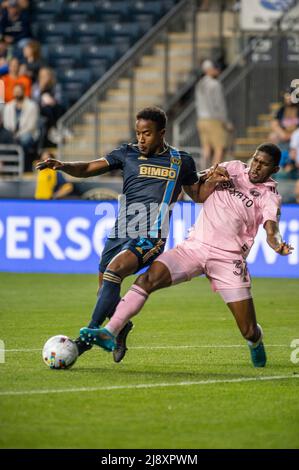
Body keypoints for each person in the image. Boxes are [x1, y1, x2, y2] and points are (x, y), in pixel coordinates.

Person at [37, 106, 229, 363]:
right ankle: (122, 327)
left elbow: (197, 195)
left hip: (151, 234)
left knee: (114, 271)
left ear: (162, 133)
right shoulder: (126, 153)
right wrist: (63, 166)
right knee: (105, 289)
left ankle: (86, 339)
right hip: (120, 231)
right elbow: (89, 168)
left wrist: (213, 182)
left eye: (147, 134)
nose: (141, 139)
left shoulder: (180, 160)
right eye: (138, 133)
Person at [82, 143, 294, 368]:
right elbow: (195, 179)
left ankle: (256, 342)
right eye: (256, 160)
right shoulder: (233, 167)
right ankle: (110, 332)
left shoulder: (269, 197)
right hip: (195, 247)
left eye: (264, 165)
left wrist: (277, 245)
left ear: (275, 170)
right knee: (147, 279)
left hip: (228, 260)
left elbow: (272, 230)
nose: (256, 167)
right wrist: (211, 174)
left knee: (248, 330)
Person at [195, 59, 232, 168]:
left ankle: (202, 172)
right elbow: (219, 105)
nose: (218, 70)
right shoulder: (215, 84)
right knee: (219, 148)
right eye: (216, 68)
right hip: (214, 120)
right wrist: (226, 122)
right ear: (209, 70)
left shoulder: (199, 84)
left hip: (201, 120)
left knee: (206, 148)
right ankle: (213, 174)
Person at [3, 82, 39, 170]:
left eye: (19, 91)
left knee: (24, 140)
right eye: (15, 91)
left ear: (23, 92)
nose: (17, 93)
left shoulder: (32, 106)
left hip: (28, 133)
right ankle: (10, 168)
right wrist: (11, 134)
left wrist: (17, 135)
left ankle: (24, 167)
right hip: (11, 134)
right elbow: (6, 124)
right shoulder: (8, 106)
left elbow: (31, 126)